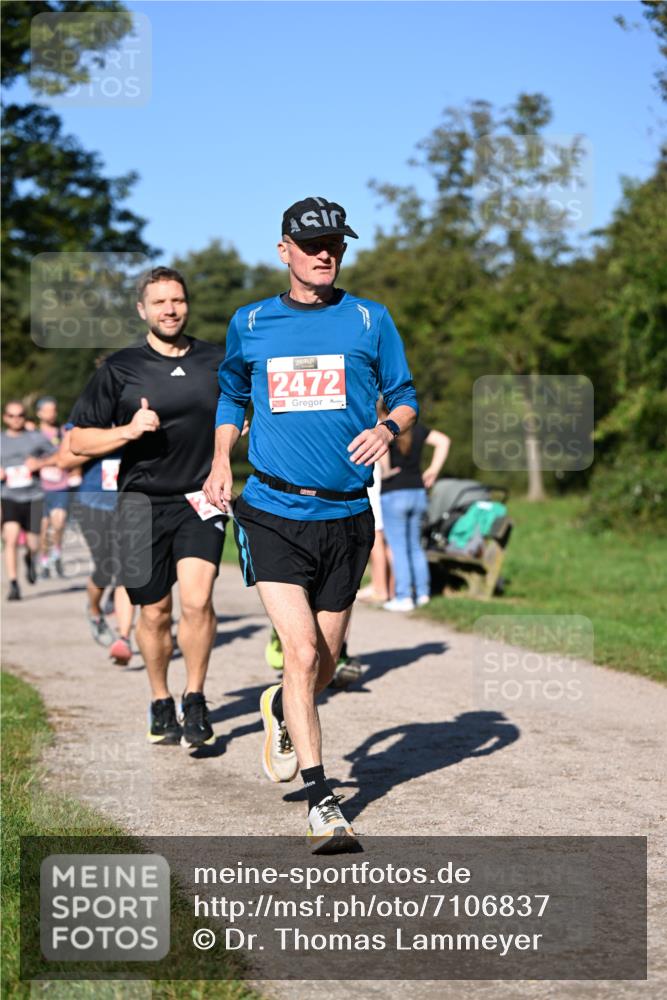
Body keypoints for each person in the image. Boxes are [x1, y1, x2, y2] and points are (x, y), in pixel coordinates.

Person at [204, 196, 418, 852]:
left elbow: (405, 396)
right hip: (272, 510)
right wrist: (221, 458)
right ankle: (324, 802)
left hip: (347, 515)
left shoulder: (370, 319)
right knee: (298, 653)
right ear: (284, 251)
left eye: (335, 245)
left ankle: (279, 706)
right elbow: (232, 394)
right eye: (312, 244)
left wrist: (387, 428)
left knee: (321, 663)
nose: (325, 254)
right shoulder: (251, 322)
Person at [69, 267, 227, 747]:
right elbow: (78, 440)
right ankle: (160, 699)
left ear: (187, 304)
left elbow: (243, 410)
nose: (170, 310)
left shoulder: (217, 360)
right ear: (143, 310)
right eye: (159, 302)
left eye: (177, 300)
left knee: (198, 601)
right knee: (155, 611)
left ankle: (195, 698)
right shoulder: (120, 368)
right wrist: (127, 431)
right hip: (139, 503)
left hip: (199, 498)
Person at [57, 427, 135, 665]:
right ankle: (94, 610)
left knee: (127, 570)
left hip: (130, 504)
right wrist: (116, 439)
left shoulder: (141, 415)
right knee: (105, 568)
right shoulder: (88, 418)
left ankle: (124, 638)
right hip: (94, 504)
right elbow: (64, 460)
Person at [380, 413, 450, 611]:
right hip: (418, 492)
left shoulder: (385, 429)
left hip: (394, 492)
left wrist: (385, 472)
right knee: (415, 546)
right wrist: (434, 469)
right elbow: (443, 441)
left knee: (398, 548)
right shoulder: (417, 428)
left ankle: (403, 597)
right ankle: (422, 594)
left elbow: (383, 455)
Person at [1, 401, 57, 599]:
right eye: (12, 415)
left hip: (34, 496)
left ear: (25, 417)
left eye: (20, 415)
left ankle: (30, 558)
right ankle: (14, 584)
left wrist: (40, 463)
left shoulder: (36, 438)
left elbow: (58, 456)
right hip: (9, 496)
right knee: (11, 538)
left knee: (34, 543)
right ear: (5, 418)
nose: (16, 419)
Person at [36, 396, 77, 579]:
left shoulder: (63, 433)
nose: (52, 413)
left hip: (61, 486)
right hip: (39, 488)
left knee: (58, 524)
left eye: (54, 409)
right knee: (44, 528)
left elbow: (70, 455)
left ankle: (57, 554)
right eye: (48, 410)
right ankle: (44, 561)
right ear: (39, 413)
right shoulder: (33, 435)